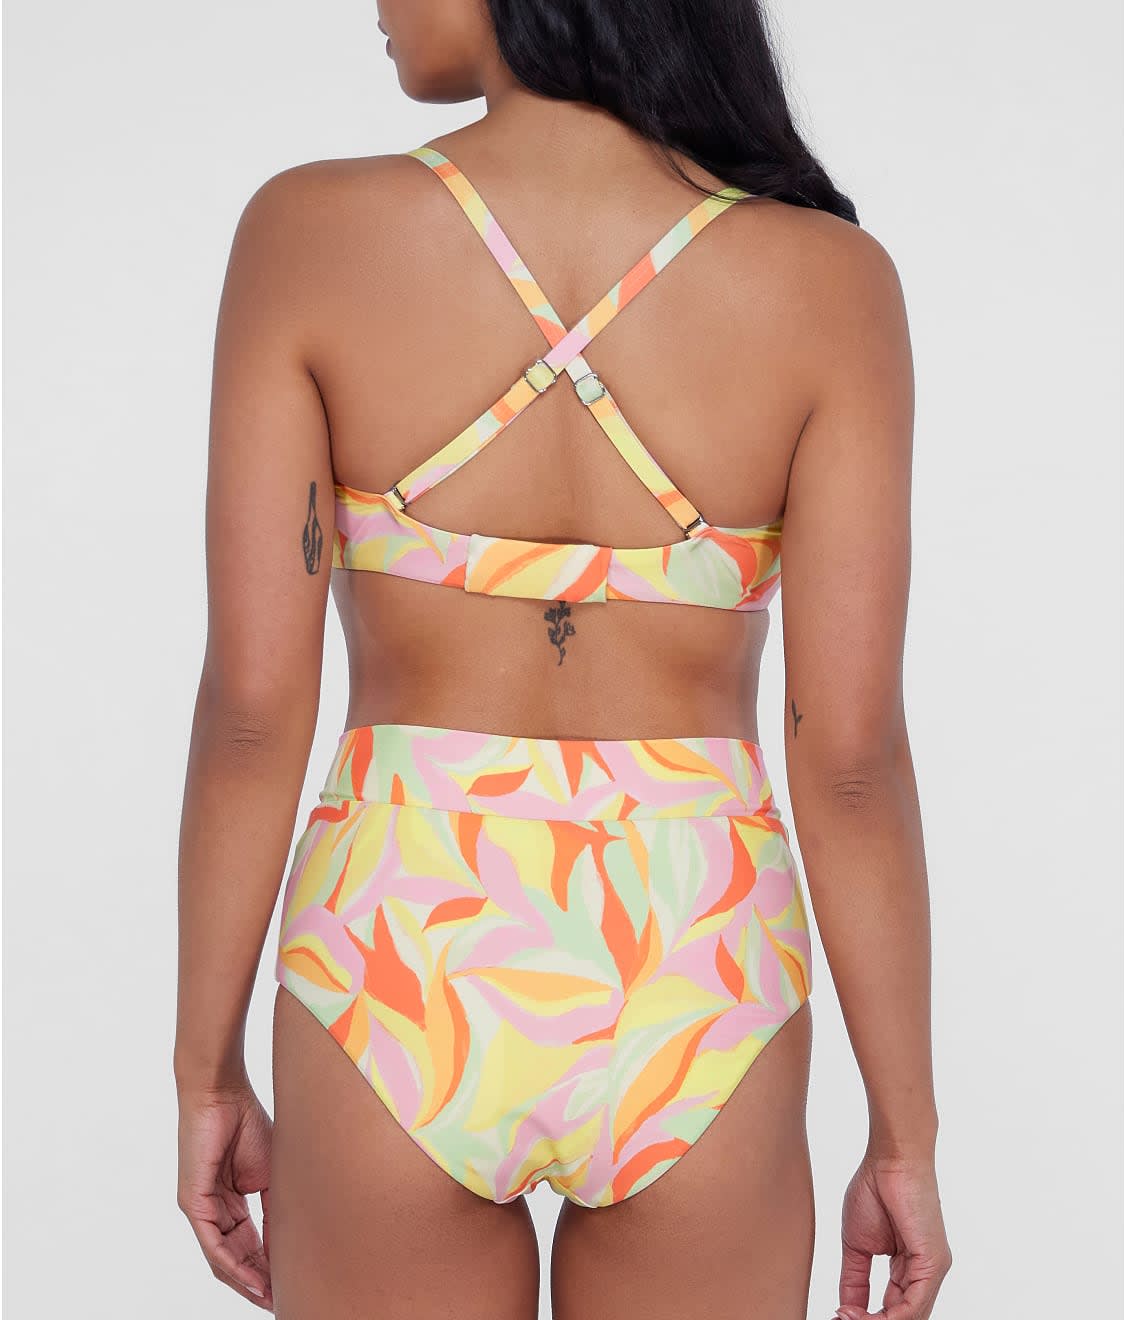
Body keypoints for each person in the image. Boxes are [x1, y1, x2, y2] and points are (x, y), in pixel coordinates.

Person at [174, 2, 952, 1316]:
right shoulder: (828, 281)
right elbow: (853, 760)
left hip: (401, 932)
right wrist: (903, 1136)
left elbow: (254, 710)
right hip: (698, 948)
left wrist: (204, 1071)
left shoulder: (308, 234)